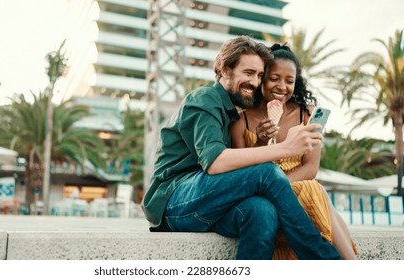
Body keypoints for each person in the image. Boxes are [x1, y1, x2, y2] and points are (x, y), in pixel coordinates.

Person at [141, 35, 341, 260]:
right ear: (225, 70)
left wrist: (262, 143)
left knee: (261, 210)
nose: (255, 82)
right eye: (248, 73)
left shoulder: (234, 114)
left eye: (259, 75)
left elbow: (238, 171)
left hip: (210, 203)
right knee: (267, 174)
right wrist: (286, 148)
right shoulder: (204, 99)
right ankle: (325, 260)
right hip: (173, 202)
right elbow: (216, 163)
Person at [231, 43, 357, 259]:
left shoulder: (306, 115)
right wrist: (260, 142)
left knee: (312, 188)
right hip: (260, 195)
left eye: (289, 81)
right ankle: (351, 264)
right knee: (317, 191)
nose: (282, 87)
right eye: (274, 78)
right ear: (261, 78)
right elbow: (240, 173)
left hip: (298, 191)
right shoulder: (241, 120)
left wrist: (278, 187)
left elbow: (310, 167)